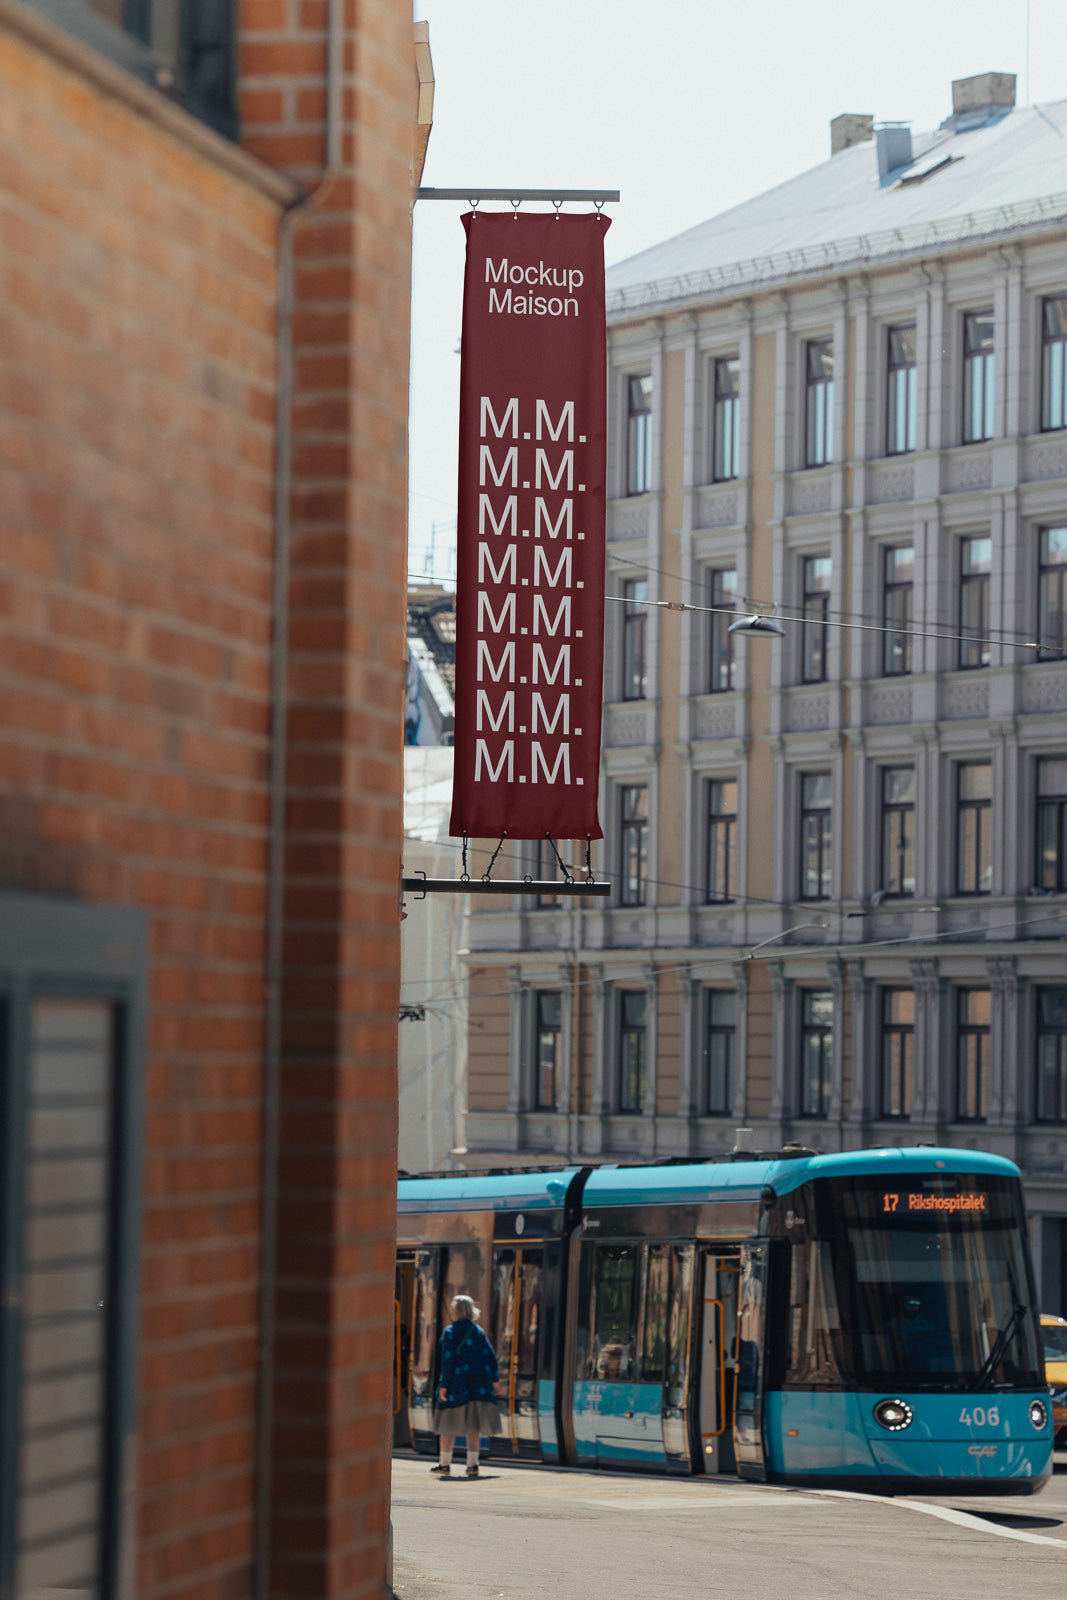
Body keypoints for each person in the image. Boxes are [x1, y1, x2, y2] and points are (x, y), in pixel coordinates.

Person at [431, 1294, 502, 1479]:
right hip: (479, 1387)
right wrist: (495, 1381)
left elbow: (448, 1360)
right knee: (474, 1427)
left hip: (456, 1386)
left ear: (455, 1311)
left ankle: (444, 1464)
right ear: (472, 1311)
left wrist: (444, 1386)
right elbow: (491, 1357)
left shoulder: (449, 1332)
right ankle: (472, 1465)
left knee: (448, 1426)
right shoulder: (479, 1331)